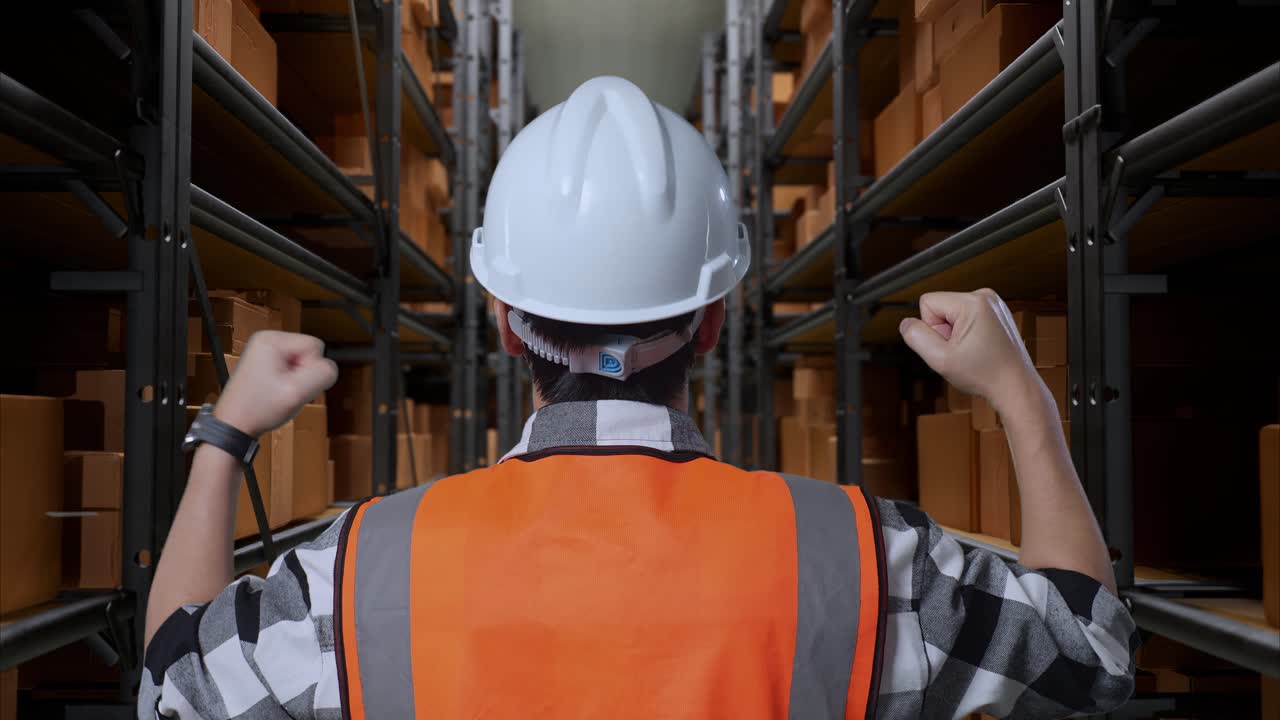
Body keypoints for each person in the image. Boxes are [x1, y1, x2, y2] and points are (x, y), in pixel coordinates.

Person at [140, 76, 1136, 719]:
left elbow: (169, 684)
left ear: (500, 319)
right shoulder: (866, 560)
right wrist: (1019, 397)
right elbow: (1086, 652)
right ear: (711, 322)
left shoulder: (355, 574)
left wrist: (225, 437)